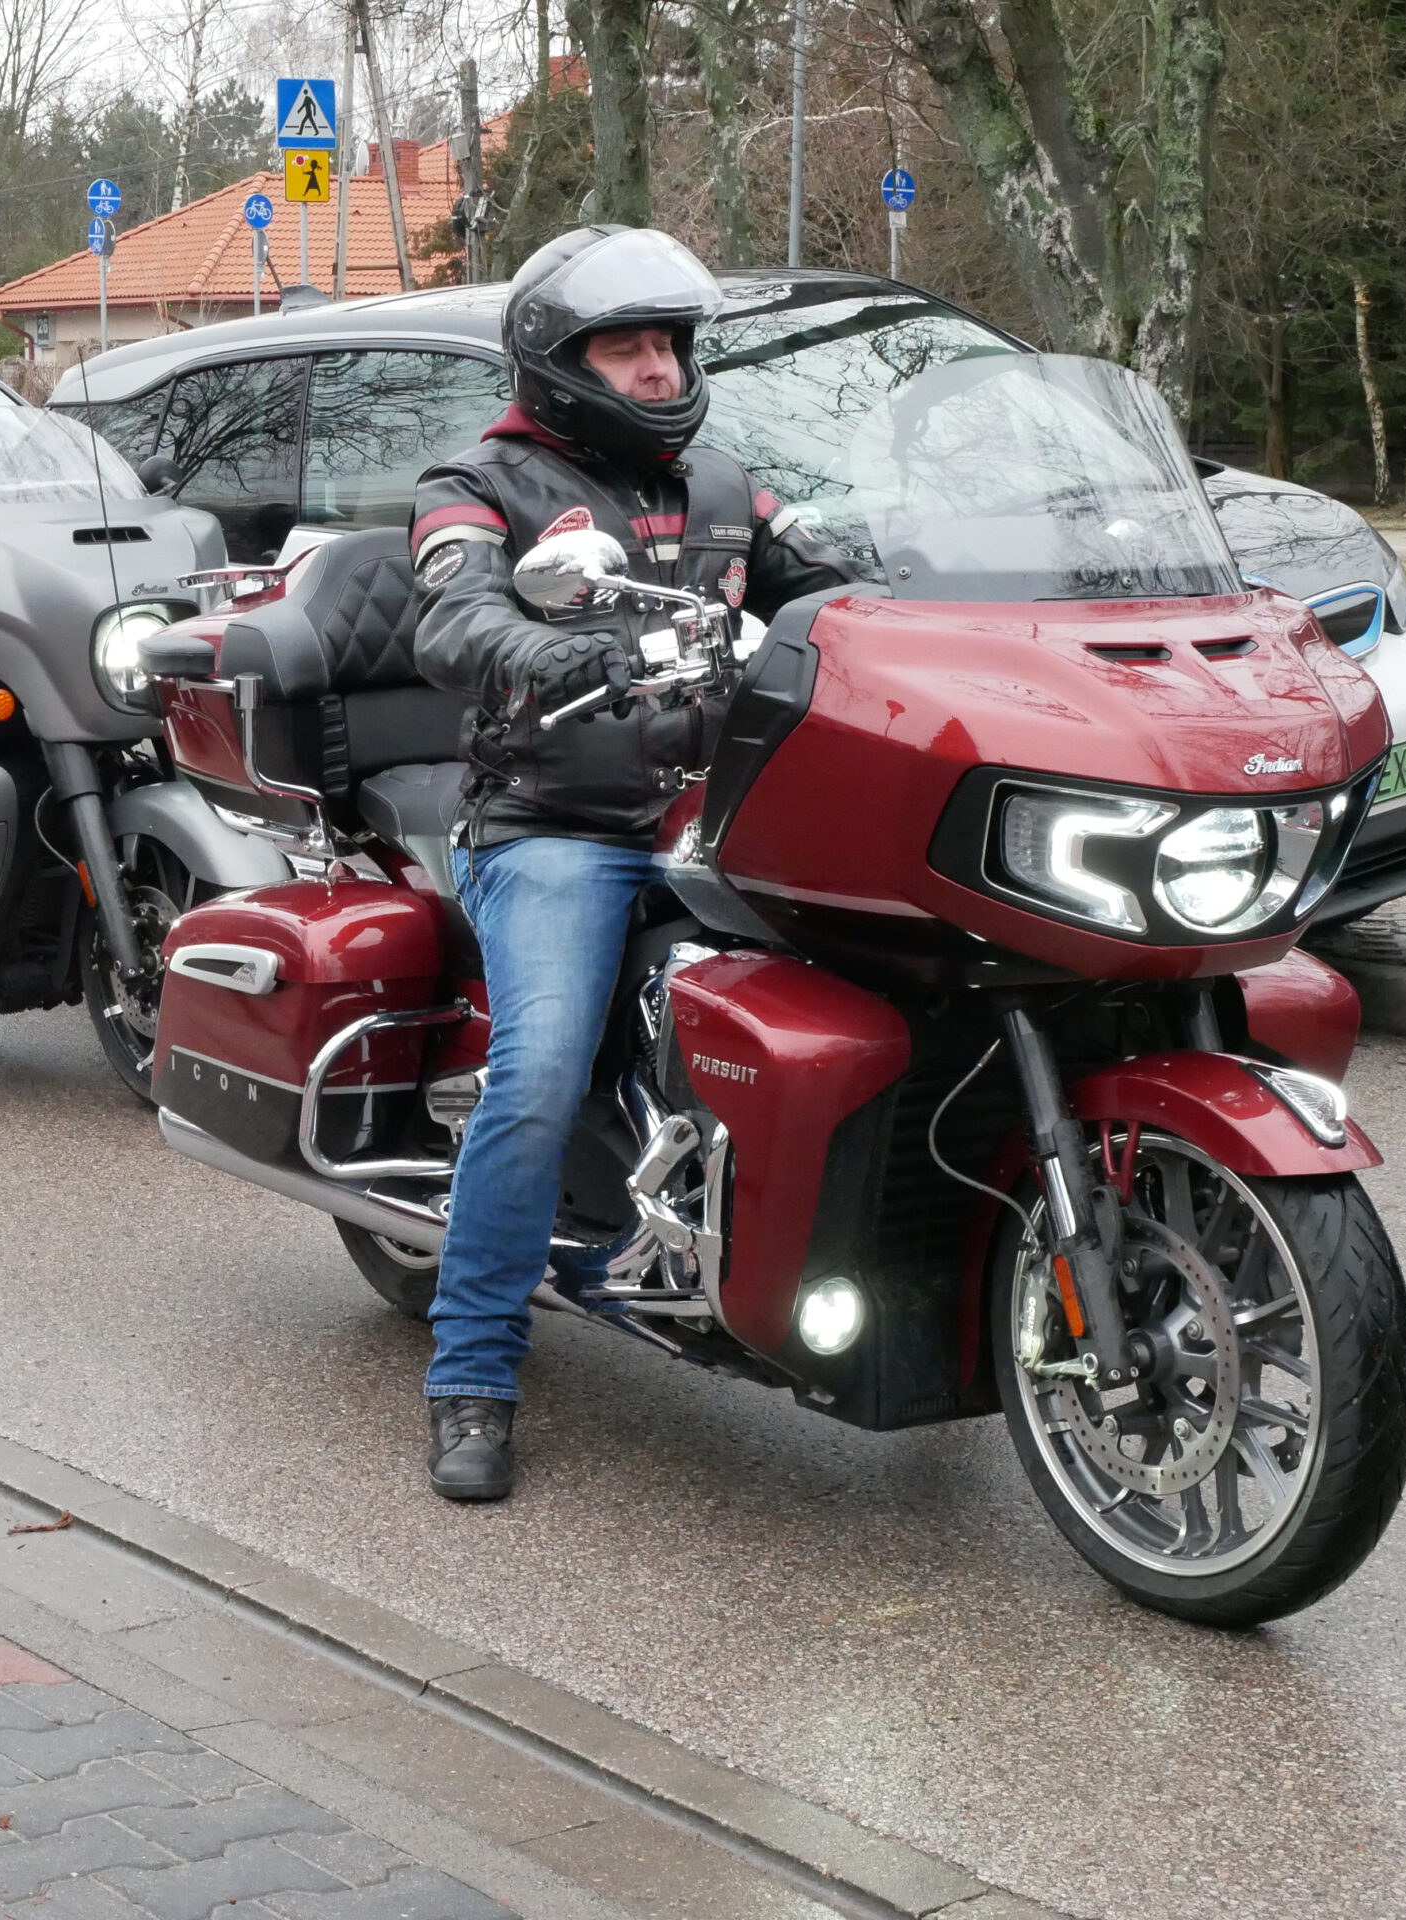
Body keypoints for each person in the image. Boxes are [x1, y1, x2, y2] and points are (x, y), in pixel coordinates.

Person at [408, 226, 855, 1502]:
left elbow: (841, 589)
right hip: (556, 825)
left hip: (724, 818)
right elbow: (453, 613)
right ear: (559, 362)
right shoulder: (479, 481)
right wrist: (542, 649)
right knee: (540, 1070)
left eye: (667, 344)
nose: (658, 369)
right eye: (626, 348)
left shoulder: (724, 486)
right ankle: (473, 1371)